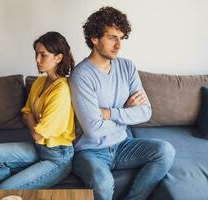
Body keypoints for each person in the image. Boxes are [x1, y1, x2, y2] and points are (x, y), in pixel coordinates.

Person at [69, 6, 176, 200]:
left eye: (121, 38)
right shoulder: (81, 76)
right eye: (112, 37)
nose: (119, 45)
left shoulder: (127, 66)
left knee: (165, 150)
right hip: (90, 152)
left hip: (122, 145)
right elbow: (93, 130)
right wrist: (127, 112)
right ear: (94, 38)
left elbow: (146, 112)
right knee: (104, 183)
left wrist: (111, 113)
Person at [0, 31, 75, 189]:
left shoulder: (61, 91)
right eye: (36, 54)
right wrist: (33, 119)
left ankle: (0, 194)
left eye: (43, 55)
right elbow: (25, 112)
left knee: (3, 190)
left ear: (58, 58)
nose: (37, 60)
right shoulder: (40, 82)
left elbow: (37, 133)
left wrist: (31, 119)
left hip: (57, 156)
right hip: (37, 147)